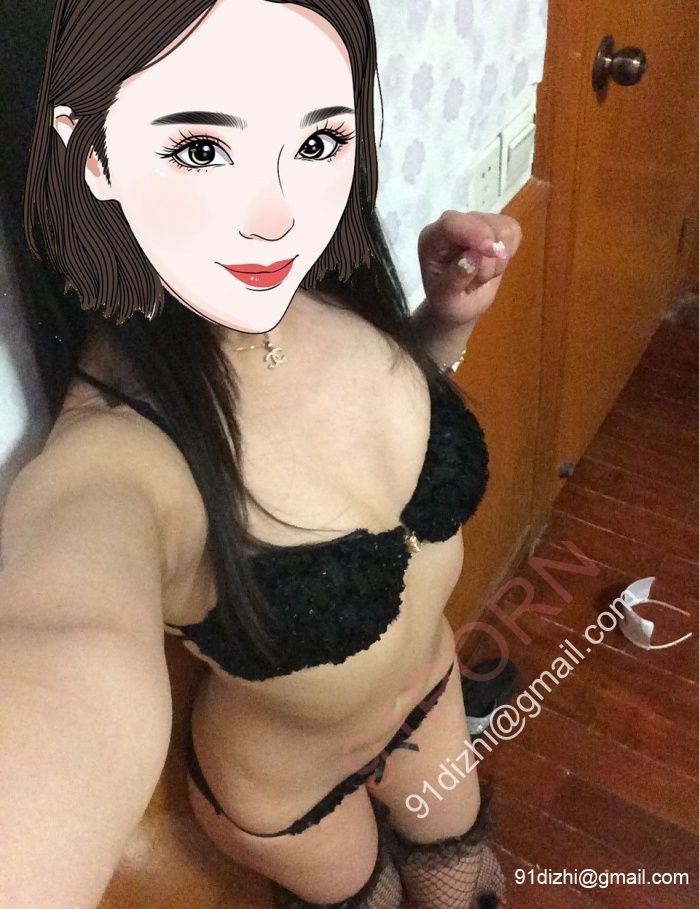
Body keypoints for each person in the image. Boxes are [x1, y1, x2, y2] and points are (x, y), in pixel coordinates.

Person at [0, 0, 522, 906]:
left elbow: (377, 436)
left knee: (464, 880)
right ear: (89, 155)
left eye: (315, 140)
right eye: (203, 148)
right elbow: (56, 652)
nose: (280, 215)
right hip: (290, 794)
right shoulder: (116, 463)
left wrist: (442, 324)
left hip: (434, 694)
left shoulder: (324, 284)